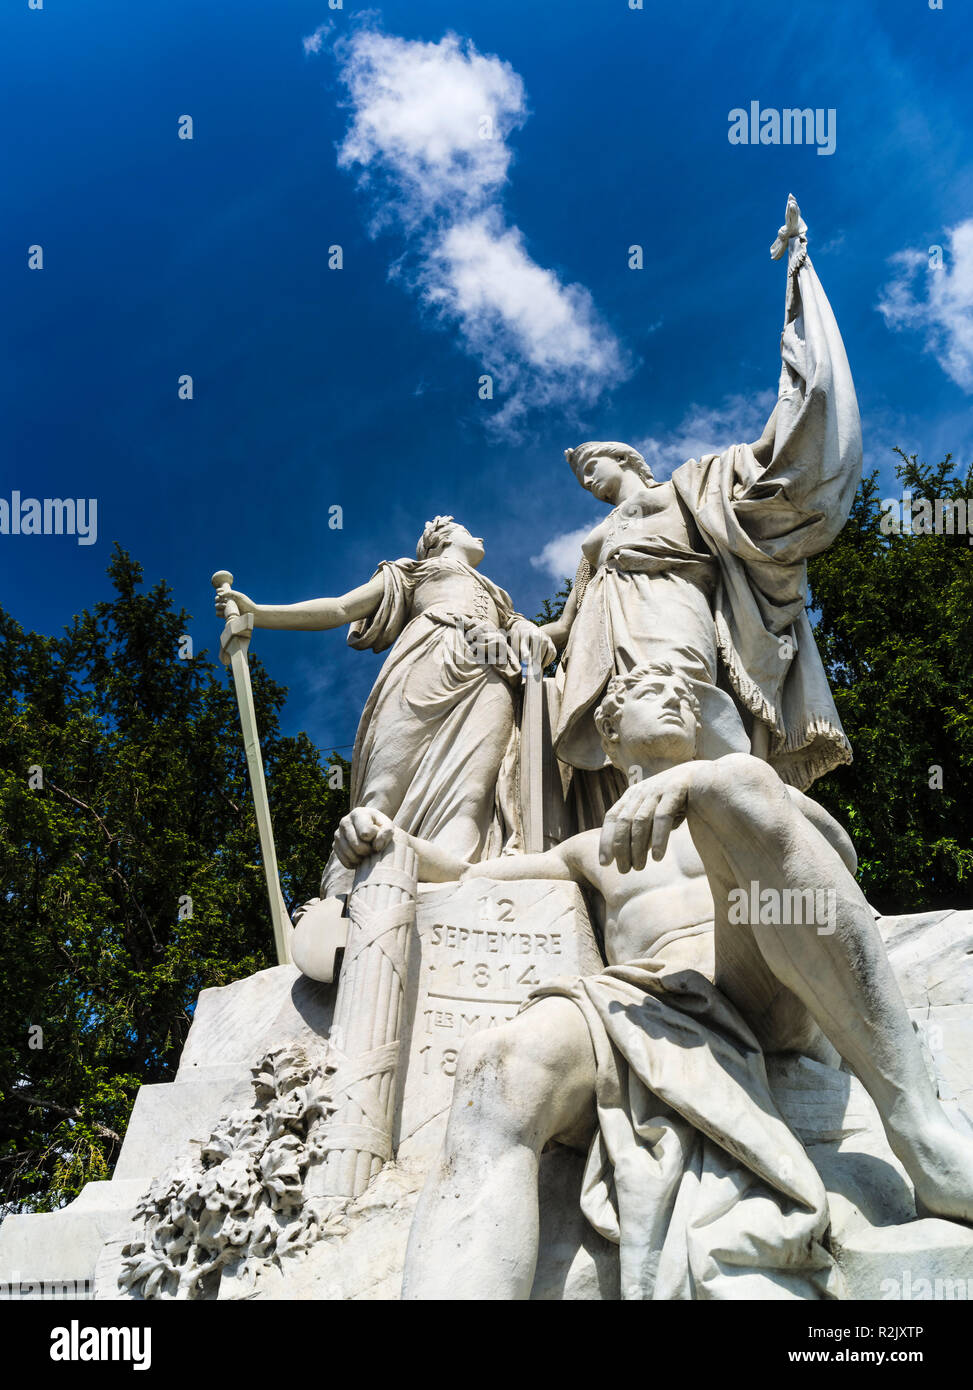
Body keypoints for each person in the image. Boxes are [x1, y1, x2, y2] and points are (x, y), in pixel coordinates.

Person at [334, 662, 973, 1300]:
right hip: (645, 1001)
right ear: (610, 736)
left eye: (683, 697)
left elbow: (832, 865)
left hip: (764, 978)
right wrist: (394, 841)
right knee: (496, 1064)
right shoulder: (587, 847)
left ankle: (917, 1123)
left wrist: (701, 785)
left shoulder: (747, 789)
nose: (672, 698)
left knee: (741, 781)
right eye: (647, 691)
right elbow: (473, 876)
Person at [540, 199, 862, 826]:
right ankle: (641, 858)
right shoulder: (593, 544)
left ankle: (717, 840)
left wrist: (797, 304)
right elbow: (566, 623)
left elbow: (769, 468)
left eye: (591, 469)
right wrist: (525, 637)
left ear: (624, 459)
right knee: (623, 732)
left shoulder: (689, 486)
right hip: (603, 633)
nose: (588, 482)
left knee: (678, 702)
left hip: (672, 602)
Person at [216, 516, 555, 886]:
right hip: (430, 656)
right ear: (439, 539)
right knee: (387, 779)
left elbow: (531, 634)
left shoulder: (499, 598)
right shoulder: (411, 571)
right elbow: (342, 609)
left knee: (473, 791)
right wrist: (258, 613)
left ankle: (453, 885)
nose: (480, 534)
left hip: (491, 672)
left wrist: (527, 631)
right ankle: (347, 891)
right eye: (464, 528)